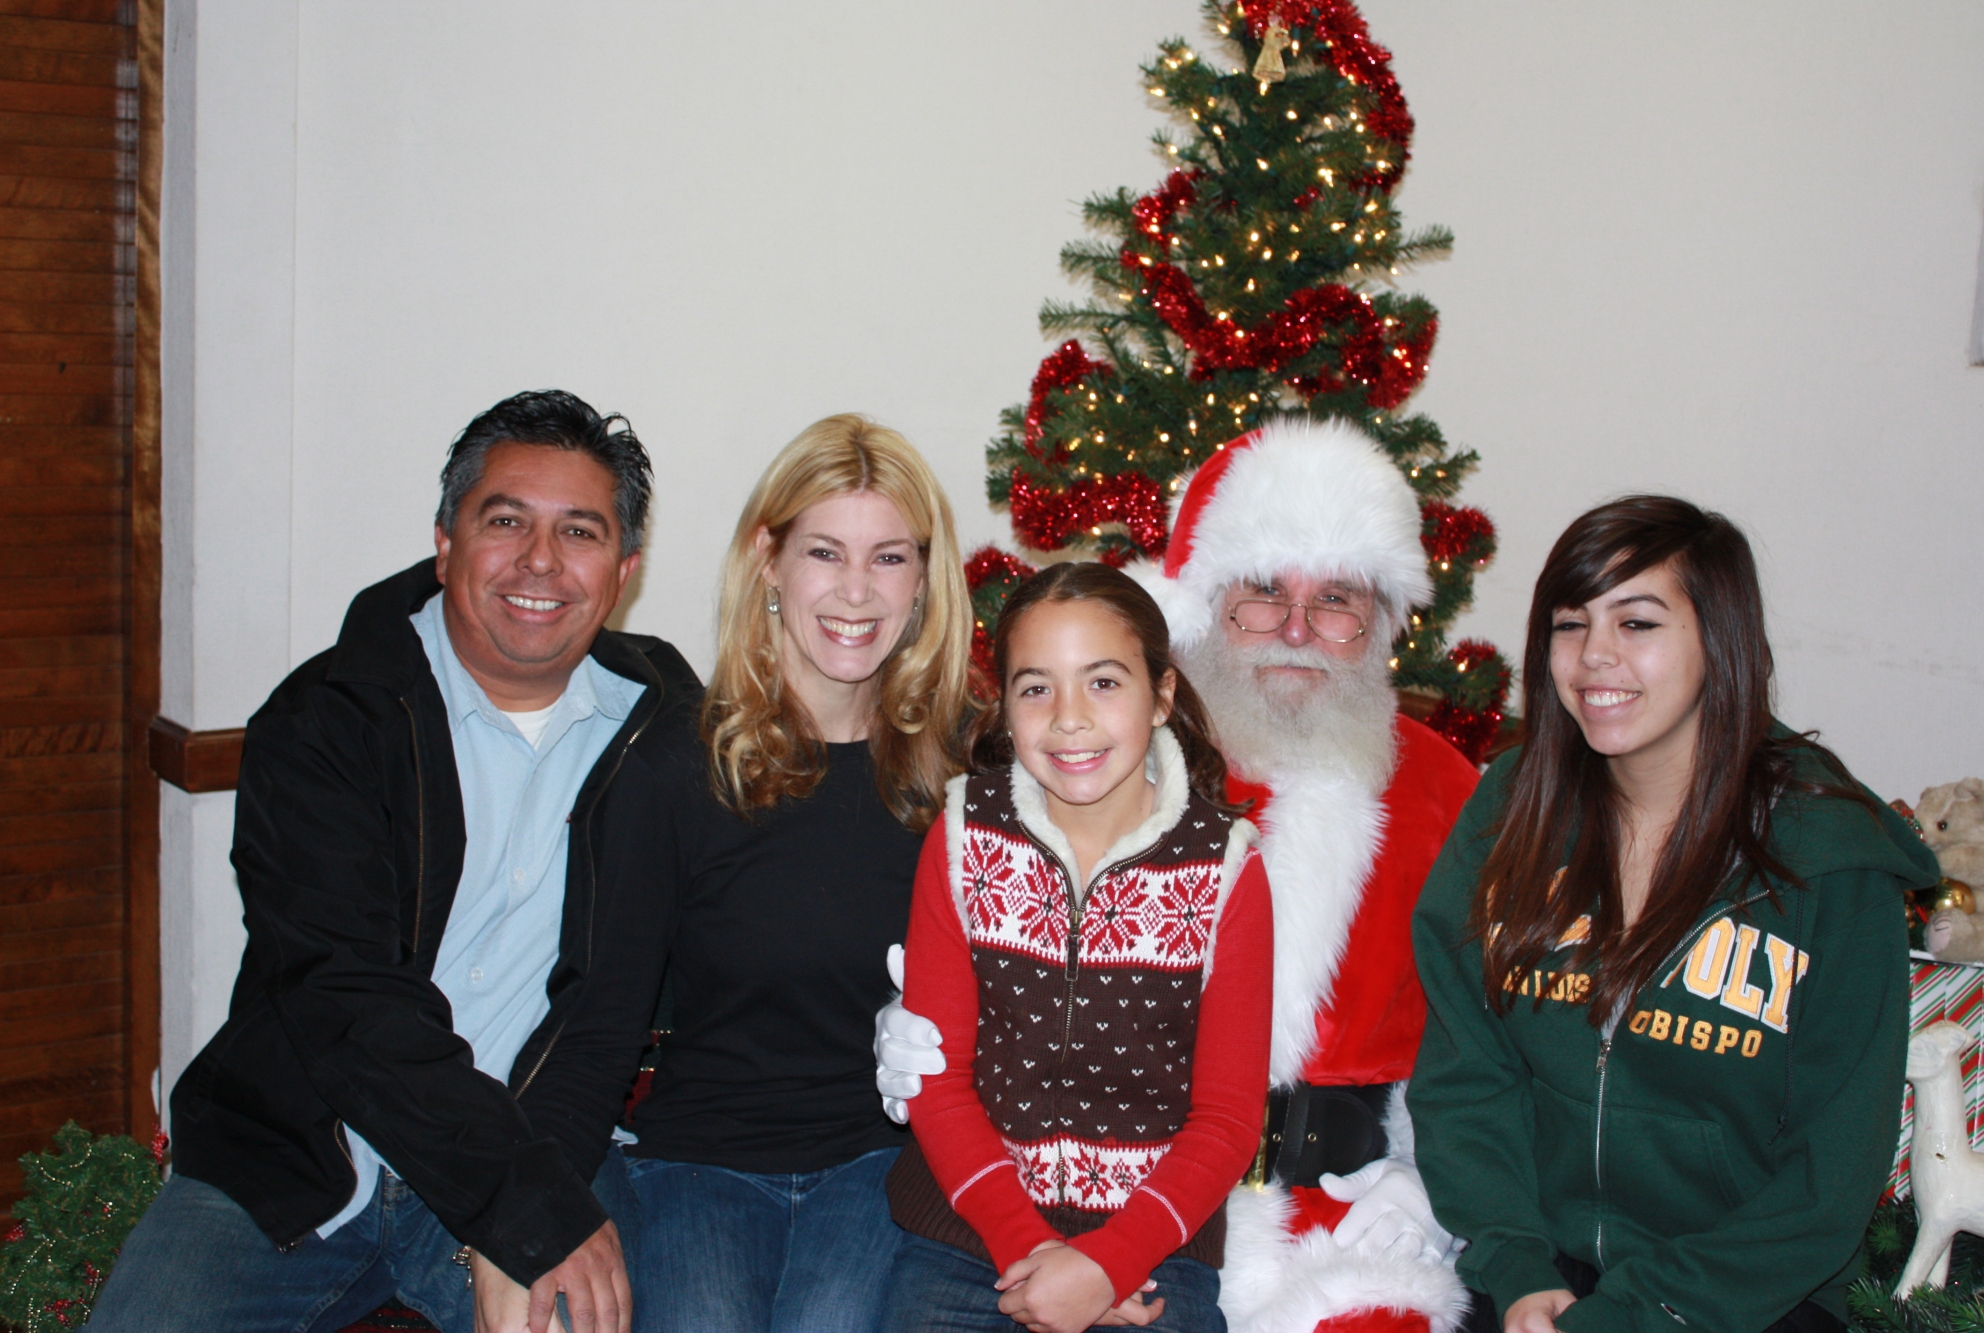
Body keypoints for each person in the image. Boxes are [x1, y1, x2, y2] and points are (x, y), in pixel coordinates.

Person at [87, 390, 702, 1333]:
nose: (541, 560)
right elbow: (345, 1000)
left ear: (622, 571)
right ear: (445, 544)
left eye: (579, 531)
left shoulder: (661, 733)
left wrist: (534, 1198)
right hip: (298, 1151)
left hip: (542, 1134)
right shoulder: (326, 721)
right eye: (506, 521)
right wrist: (521, 1205)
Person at [878, 418, 1483, 1332]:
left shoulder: (1447, 792)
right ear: (1205, 608)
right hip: (1096, 1208)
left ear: (1383, 619)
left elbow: (1500, 1034)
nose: (1296, 629)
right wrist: (926, 1022)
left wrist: (1435, 1174)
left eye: (1337, 600)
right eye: (1262, 593)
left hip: (1349, 1214)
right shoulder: (1125, 767)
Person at [1406, 496, 1936, 1333]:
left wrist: (1636, 1313)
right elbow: (1468, 1075)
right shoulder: (1511, 812)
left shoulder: (1832, 858)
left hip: (1744, 1296)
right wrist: (1516, 1262)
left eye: (1638, 622)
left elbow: (1829, 1176)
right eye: (1570, 624)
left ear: (1719, 640)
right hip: (1537, 1269)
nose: (1595, 655)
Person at [570, 415, 973, 1333]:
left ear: (923, 579)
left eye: (890, 558)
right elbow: (598, 1022)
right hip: (700, 1158)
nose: (857, 590)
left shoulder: (965, 772)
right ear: (768, 559)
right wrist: (538, 1215)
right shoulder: (674, 765)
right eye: (825, 552)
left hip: (883, 1157)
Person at [879, 561, 1273, 1333]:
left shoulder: (1226, 866)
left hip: (1155, 1241)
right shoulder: (963, 837)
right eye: (1036, 688)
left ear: (1161, 694)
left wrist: (1108, 1263)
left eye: (1103, 682)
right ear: (1004, 705)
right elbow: (937, 1080)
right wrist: (1034, 1252)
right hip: (969, 1231)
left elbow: (1228, 1119)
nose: (1068, 718)